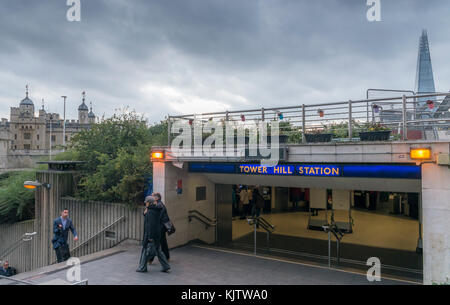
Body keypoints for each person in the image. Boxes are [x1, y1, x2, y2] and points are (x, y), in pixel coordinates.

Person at [136, 196, 171, 273]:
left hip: (151, 235)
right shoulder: (155, 210)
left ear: (149, 203)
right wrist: (145, 213)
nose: (145, 204)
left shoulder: (150, 212)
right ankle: (166, 266)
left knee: (146, 250)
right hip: (156, 235)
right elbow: (151, 220)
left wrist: (150, 237)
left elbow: (150, 225)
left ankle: (142, 268)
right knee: (158, 251)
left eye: (146, 202)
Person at [149, 192, 172, 263]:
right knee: (162, 242)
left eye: (152, 196)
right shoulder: (159, 204)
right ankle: (166, 257)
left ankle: (150, 259)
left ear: (156, 198)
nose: (151, 198)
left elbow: (157, 216)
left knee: (156, 243)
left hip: (160, 227)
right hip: (161, 227)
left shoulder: (159, 205)